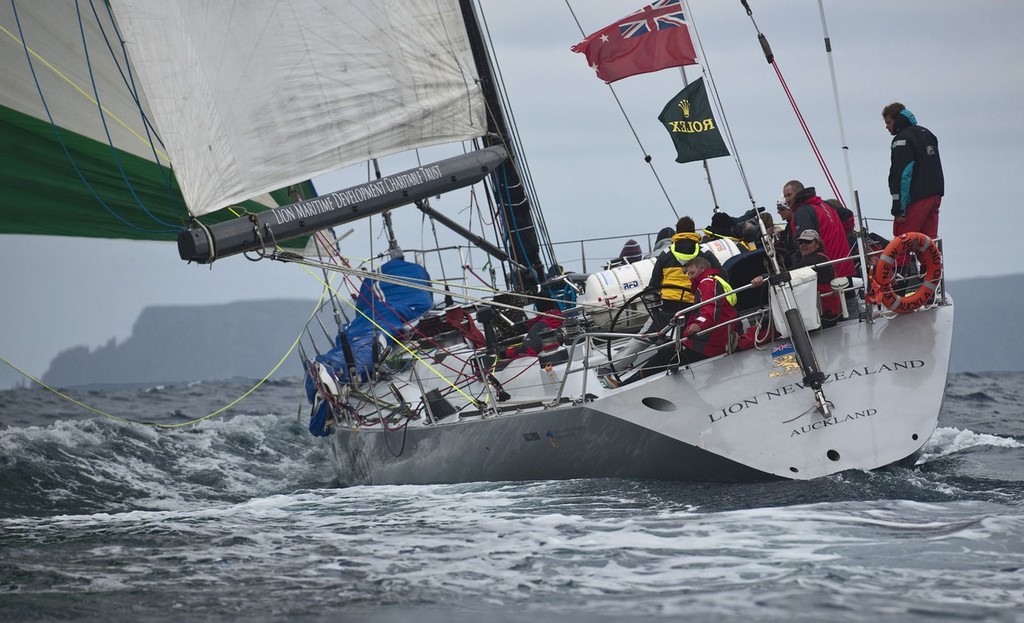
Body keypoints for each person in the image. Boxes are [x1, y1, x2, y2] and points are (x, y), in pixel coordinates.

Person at [883, 102, 943, 273]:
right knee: (927, 242)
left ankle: (901, 283)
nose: (887, 127)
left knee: (902, 240)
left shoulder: (902, 140)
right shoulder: (927, 134)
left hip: (915, 198)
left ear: (897, 119)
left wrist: (898, 207)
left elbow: (902, 175)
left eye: (888, 123)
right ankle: (930, 280)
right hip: (934, 195)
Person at [647, 216, 721, 330]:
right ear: (693, 231)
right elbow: (721, 275)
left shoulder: (665, 255)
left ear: (677, 232)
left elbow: (654, 284)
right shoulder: (705, 254)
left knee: (645, 336)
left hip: (668, 306)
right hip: (694, 307)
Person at [782, 180, 854, 279]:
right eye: (785, 196)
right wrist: (841, 235)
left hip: (829, 273)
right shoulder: (826, 205)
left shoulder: (802, 212)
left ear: (798, 193)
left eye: (789, 195)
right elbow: (848, 216)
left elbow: (806, 245)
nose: (786, 200)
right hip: (846, 268)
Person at [680, 256, 738, 361]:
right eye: (688, 274)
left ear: (703, 269)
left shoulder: (706, 284)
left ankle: (641, 375)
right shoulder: (716, 280)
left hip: (712, 340)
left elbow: (710, 309)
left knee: (670, 355)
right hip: (725, 329)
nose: (690, 277)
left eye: (692, 273)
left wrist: (698, 324)